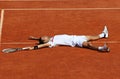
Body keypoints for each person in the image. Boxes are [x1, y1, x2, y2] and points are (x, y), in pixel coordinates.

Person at [2, 26, 110, 53]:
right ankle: (101, 49)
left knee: (92, 37)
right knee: (88, 44)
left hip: (75, 36)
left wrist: (34, 38)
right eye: (43, 38)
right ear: (46, 41)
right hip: (75, 42)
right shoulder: (51, 43)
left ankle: (103, 34)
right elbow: (38, 46)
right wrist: (28, 48)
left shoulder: (51, 37)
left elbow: (40, 40)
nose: (43, 36)